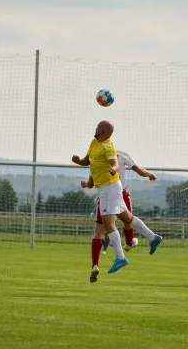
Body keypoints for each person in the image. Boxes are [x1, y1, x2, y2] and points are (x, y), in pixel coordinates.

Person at [72, 120, 163, 281]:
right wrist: (79, 161)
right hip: (110, 188)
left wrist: (114, 168)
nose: (96, 129)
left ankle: (120, 257)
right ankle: (152, 237)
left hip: (109, 188)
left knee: (108, 224)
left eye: (99, 128)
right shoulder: (94, 143)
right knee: (127, 218)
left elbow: (114, 161)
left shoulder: (108, 146)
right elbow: (87, 160)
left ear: (105, 132)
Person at [80, 151, 158, 282]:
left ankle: (98, 264)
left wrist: (85, 184)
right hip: (121, 193)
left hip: (107, 194)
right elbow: (138, 169)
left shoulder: (97, 158)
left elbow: (91, 182)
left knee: (101, 229)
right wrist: (149, 174)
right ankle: (144, 239)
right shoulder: (120, 154)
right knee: (128, 220)